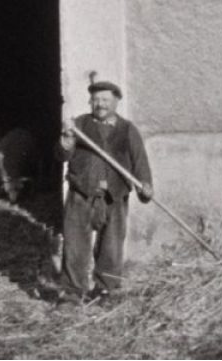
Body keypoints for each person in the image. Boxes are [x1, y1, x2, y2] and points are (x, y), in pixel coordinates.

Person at [55, 79, 153, 305]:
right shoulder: (78, 125)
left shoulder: (128, 129)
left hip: (115, 196)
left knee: (111, 246)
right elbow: (60, 157)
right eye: (96, 99)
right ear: (90, 101)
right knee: (75, 245)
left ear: (116, 102)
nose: (100, 104)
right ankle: (72, 293)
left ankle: (106, 291)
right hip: (81, 194)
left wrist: (145, 185)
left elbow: (140, 161)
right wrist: (67, 141)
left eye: (106, 100)